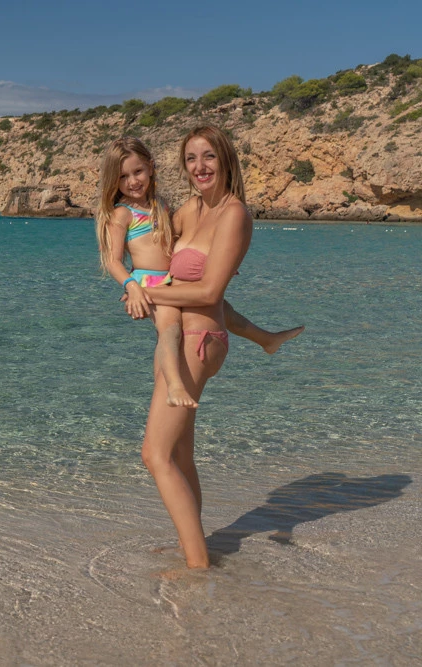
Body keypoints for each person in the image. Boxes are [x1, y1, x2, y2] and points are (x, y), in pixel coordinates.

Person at [138, 125, 271, 568]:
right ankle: (191, 542)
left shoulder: (234, 215)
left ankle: (198, 568)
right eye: (191, 158)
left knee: (154, 455)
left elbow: (211, 292)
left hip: (200, 342)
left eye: (209, 156)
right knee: (179, 455)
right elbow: (159, 268)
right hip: (174, 341)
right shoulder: (187, 211)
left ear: (226, 159)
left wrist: (152, 295)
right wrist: (134, 285)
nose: (200, 167)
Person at [95, 137, 302, 408]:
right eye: (123, 176)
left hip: (170, 281)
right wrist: (133, 288)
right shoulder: (123, 214)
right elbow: (112, 261)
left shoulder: (162, 206)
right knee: (170, 329)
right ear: (114, 181)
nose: (133, 181)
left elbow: (185, 237)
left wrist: (216, 259)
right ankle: (175, 385)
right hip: (148, 283)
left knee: (223, 309)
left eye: (138, 172)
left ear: (151, 167)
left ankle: (266, 338)